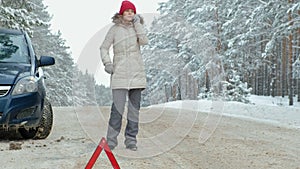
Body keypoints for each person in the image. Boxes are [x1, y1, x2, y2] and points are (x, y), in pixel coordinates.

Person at [100, 0, 148, 151]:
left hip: (136, 74)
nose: (129, 13)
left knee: (134, 110)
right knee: (117, 110)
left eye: (132, 11)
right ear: (121, 13)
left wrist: (138, 24)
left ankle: (131, 140)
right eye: (127, 11)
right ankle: (111, 141)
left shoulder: (138, 28)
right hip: (119, 75)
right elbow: (103, 48)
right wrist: (108, 63)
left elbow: (144, 41)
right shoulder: (114, 30)